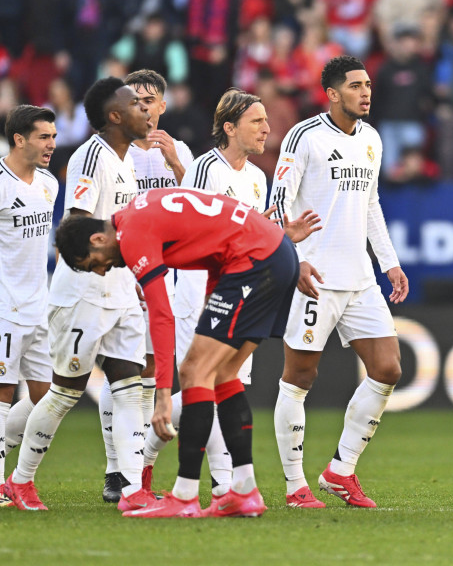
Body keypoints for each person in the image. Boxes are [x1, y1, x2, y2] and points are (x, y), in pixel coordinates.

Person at [51, 188, 320, 517]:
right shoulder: (140, 212)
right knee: (223, 374)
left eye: (92, 264)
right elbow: (213, 248)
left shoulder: (132, 235)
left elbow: (161, 315)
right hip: (274, 255)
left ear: (96, 240)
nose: (102, 271)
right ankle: (244, 491)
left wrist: (163, 394)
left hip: (254, 261)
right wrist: (213, 298)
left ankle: (185, 496)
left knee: (193, 371)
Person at [4, 77, 152, 512]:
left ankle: (132, 488)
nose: (145, 110)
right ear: (114, 115)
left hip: (121, 287)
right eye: (136, 104)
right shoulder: (92, 156)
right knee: (64, 392)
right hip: (84, 290)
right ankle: (20, 479)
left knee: (131, 386)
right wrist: (114, 251)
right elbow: (76, 225)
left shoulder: (128, 160)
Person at [269, 55, 409, 509]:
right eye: (355, 86)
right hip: (313, 275)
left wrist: (389, 262)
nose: (366, 92)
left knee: (388, 369)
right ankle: (294, 487)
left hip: (360, 278)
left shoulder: (371, 138)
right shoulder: (304, 137)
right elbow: (277, 206)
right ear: (331, 94)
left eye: (368, 84)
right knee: (299, 378)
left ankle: (340, 470)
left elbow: (371, 204)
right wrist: (294, 261)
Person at [142, 87, 270, 507]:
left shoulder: (257, 178)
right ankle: (222, 486)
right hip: (199, 295)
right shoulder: (204, 169)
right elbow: (188, 226)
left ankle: (140, 464)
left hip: (239, 293)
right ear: (229, 127)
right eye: (257, 121)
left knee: (219, 388)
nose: (267, 128)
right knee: (209, 386)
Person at [95, 68, 195, 502]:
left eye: (150, 99)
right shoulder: (117, 153)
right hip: (124, 272)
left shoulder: (180, 151)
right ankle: (117, 470)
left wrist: (176, 164)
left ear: (163, 106)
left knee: (149, 371)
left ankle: (127, 470)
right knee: (124, 369)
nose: (144, 107)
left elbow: (194, 212)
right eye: (135, 99)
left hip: (163, 275)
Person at [0, 106, 59, 506]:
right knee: (3, 391)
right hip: (5, 306)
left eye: (53, 137)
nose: (52, 145)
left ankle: (20, 480)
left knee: (49, 397)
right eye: (43, 137)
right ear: (19, 139)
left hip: (41, 307)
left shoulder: (49, 184)